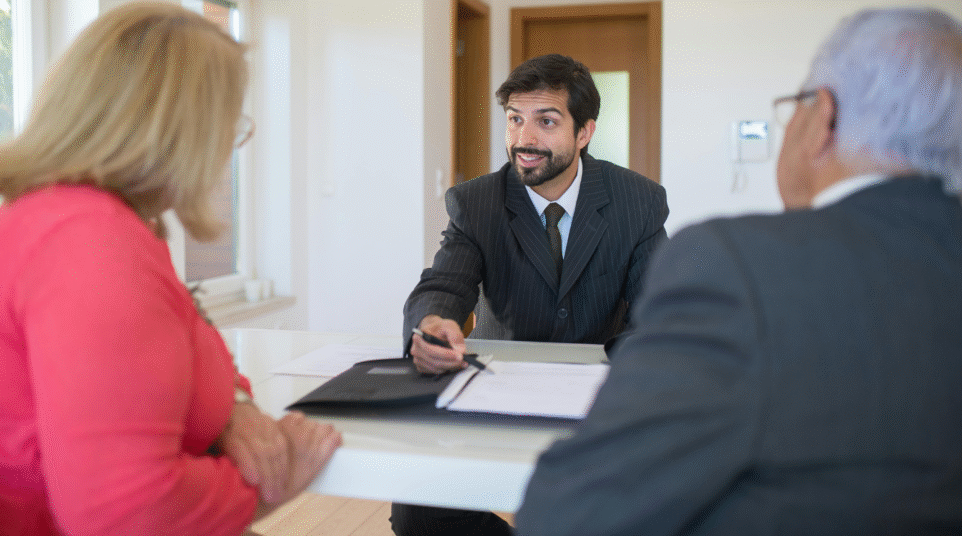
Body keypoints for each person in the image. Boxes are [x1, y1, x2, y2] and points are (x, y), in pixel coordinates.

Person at [515, 7, 962, 535]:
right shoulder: (479, 200)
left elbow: (570, 511)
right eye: (517, 118)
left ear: (822, 119)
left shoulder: (732, 266)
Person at [0, 2, 341, 534]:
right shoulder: (90, 247)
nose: (230, 147)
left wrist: (234, 410)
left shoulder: (77, 217)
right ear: (185, 131)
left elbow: (194, 341)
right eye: (230, 124)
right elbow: (126, 514)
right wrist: (277, 474)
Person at [393, 54, 668, 535]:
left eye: (546, 121)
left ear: (584, 132)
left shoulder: (638, 201)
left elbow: (655, 312)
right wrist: (434, 323)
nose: (524, 139)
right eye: (515, 120)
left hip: (597, 396)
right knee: (417, 508)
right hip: (500, 391)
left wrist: (628, 387)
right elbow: (445, 283)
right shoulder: (476, 202)